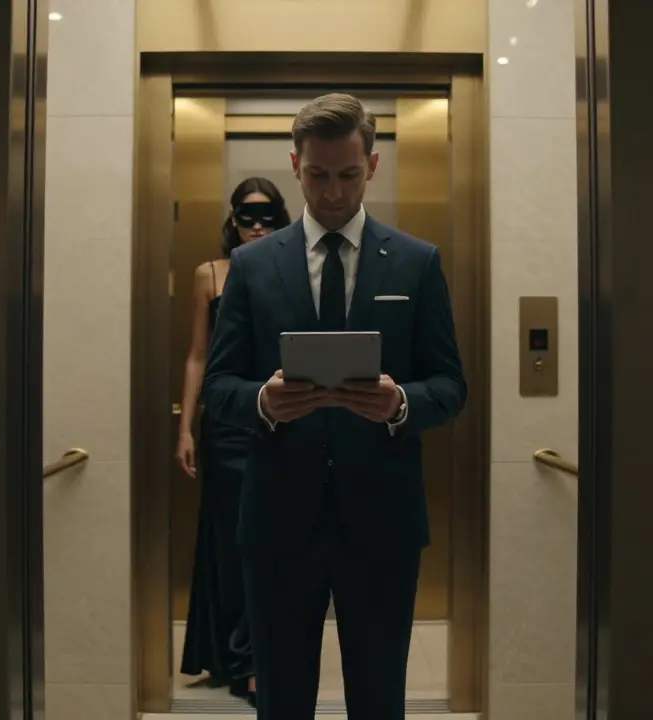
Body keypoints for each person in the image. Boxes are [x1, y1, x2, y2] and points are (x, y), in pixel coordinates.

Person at [202, 94, 466, 719]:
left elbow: (450, 385)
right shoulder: (252, 265)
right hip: (277, 520)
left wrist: (400, 402)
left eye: (348, 174)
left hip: (382, 520)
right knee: (282, 700)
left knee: (379, 699)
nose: (333, 192)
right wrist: (262, 402)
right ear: (295, 164)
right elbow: (218, 388)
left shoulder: (415, 261)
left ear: (372, 166)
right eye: (317, 174)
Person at [176, 177, 293, 705]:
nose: (259, 227)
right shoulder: (209, 273)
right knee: (230, 541)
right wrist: (184, 425)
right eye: (249, 217)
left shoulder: (290, 268)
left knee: (272, 538)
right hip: (224, 425)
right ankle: (235, 658)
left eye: (269, 217)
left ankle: (256, 656)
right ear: (233, 221)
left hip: (282, 418)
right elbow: (197, 354)